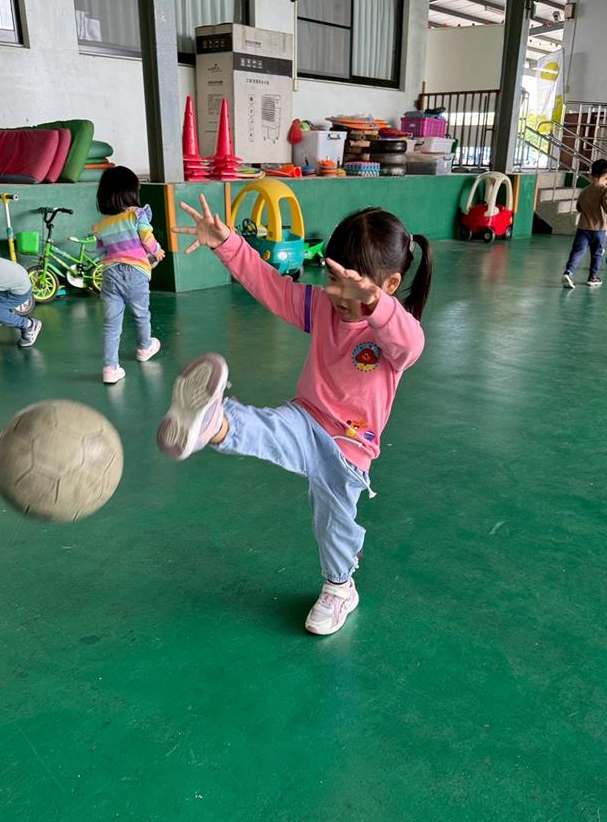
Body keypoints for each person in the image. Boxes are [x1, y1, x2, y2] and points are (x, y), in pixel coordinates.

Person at [158, 197, 432, 636]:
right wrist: (227, 243)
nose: (337, 293)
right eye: (333, 277)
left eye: (353, 285)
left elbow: (411, 342)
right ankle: (216, 421)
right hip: (306, 418)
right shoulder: (321, 306)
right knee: (270, 428)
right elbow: (269, 285)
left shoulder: (396, 336)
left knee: (333, 526)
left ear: (390, 284)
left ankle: (340, 587)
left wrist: (375, 304)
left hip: (350, 449)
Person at [93, 166, 165, 384]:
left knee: (111, 323)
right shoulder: (137, 214)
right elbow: (146, 236)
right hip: (135, 273)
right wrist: (156, 251)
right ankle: (144, 347)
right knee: (141, 314)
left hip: (110, 275)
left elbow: (102, 252)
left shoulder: (102, 225)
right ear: (131, 192)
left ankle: (110, 368)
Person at [562, 158, 607, 289]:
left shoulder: (585, 191)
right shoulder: (606, 190)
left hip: (583, 228)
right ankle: (593, 277)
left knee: (577, 251)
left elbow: (579, 207)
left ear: (590, 175)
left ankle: (568, 272)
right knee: (597, 253)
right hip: (598, 230)